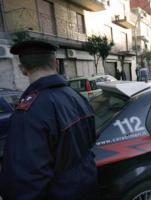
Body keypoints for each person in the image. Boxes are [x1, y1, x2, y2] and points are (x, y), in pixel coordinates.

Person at [0, 40, 98, 199]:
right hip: (87, 185)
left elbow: (24, 181)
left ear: (23, 69)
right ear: (56, 64)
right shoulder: (77, 97)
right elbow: (91, 140)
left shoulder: (28, 113)